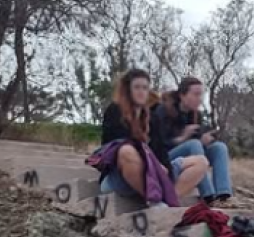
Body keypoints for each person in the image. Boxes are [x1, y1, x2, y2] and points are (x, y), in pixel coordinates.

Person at [99, 69, 208, 203]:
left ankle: (169, 201)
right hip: (123, 175)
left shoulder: (152, 117)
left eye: (145, 88)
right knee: (126, 150)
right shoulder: (115, 110)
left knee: (201, 162)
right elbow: (112, 147)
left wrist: (165, 168)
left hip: (153, 173)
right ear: (128, 90)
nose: (141, 91)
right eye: (137, 87)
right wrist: (150, 162)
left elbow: (161, 150)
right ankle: (155, 200)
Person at [153, 76, 234, 203]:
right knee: (194, 144)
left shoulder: (196, 115)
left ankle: (223, 194)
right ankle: (207, 194)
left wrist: (206, 140)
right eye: (196, 94)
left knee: (219, 147)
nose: (199, 99)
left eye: (201, 95)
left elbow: (197, 142)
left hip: (193, 153)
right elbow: (159, 143)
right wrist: (183, 137)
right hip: (167, 157)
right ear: (182, 95)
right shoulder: (164, 111)